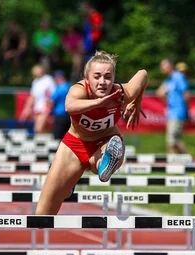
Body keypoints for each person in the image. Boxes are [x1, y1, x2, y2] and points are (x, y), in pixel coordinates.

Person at [35, 51, 148, 215]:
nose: (103, 82)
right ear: (87, 79)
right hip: (74, 144)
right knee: (42, 215)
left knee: (100, 165)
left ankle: (105, 161)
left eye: (108, 77)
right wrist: (98, 103)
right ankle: (68, 184)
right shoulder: (78, 90)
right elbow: (69, 106)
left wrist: (137, 100)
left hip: (106, 141)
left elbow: (142, 74)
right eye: (97, 77)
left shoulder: (121, 94)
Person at [156, 58, 190, 154]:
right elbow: (159, 93)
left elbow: (186, 94)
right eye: (161, 66)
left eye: (164, 65)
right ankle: (187, 161)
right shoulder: (169, 80)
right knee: (176, 139)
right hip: (171, 112)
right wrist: (167, 100)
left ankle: (174, 162)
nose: (162, 68)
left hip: (179, 112)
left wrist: (187, 110)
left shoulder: (178, 77)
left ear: (171, 66)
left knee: (172, 139)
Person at [18, 64, 56, 134]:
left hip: (45, 107)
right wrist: (27, 108)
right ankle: (50, 140)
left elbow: (52, 94)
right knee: (42, 128)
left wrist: (49, 106)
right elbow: (33, 96)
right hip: (37, 107)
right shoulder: (35, 82)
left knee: (38, 128)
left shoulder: (48, 80)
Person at [50, 70, 71, 140]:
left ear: (58, 78)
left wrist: (49, 114)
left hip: (59, 115)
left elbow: (52, 101)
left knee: (57, 137)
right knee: (67, 137)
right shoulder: (69, 87)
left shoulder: (59, 88)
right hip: (69, 115)